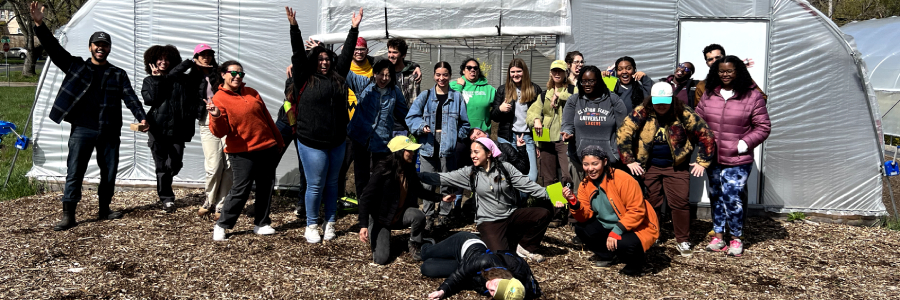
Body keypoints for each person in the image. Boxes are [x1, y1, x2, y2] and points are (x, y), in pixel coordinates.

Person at [30, 2, 149, 231]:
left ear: (109, 49)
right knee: (75, 171)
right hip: (83, 129)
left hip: (109, 130)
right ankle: (69, 215)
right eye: (97, 44)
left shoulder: (118, 74)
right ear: (90, 47)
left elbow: (131, 97)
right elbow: (54, 49)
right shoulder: (76, 66)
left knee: (109, 173)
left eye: (105, 45)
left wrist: (142, 117)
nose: (100, 48)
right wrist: (39, 25)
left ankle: (104, 209)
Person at [286, 7, 361, 243]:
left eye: (327, 59)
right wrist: (294, 28)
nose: (324, 63)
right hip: (311, 142)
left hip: (337, 141)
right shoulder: (304, 79)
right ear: (313, 62)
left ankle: (329, 222)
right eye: (319, 59)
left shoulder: (338, 78)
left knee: (332, 184)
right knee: (315, 184)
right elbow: (298, 54)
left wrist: (354, 28)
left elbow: (347, 54)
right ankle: (311, 225)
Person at [616, 82, 716, 256]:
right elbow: (623, 132)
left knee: (680, 203)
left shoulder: (684, 112)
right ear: (651, 100)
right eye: (658, 101)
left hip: (676, 166)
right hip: (649, 165)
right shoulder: (642, 111)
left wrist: (702, 161)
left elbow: (705, 134)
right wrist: (629, 160)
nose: (661, 105)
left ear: (672, 99)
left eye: (665, 101)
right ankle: (653, 234)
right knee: (650, 202)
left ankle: (683, 240)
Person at [419, 138, 551, 262]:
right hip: (489, 222)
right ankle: (500, 241)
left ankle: (524, 247)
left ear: (488, 153)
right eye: (471, 152)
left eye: (476, 152)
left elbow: (529, 185)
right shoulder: (470, 173)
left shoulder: (505, 168)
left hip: (510, 215)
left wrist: (559, 195)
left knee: (542, 214)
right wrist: (414, 175)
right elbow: (442, 177)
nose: (472, 155)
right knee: (502, 258)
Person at [695, 55, 770, 257]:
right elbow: (698, 120)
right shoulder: (710, 94)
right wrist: (701, 140)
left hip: (737, 159)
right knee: (716, 197)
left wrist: (744, 143)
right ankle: (718, 235)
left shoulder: (751, 96)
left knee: (733, 197)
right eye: (721, 71)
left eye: (729, 71)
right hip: (713, 158)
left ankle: (736, 237)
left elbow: (763, 127)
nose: (725, 75)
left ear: (738, 72)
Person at [206, 60, 284, 241]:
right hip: (241, 151)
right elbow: (219, 132)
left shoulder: (252, 92)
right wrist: (216, 115)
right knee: (241, 188)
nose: (237, 77)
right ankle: (222, 225)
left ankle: (262, 223)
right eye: (233, 73)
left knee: (266, 187)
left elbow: (267, 118)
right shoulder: (219, 98)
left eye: (240, 73)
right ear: (223, 74)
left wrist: (278, 141)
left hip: (266, 147)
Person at [561, 146, 659, 275]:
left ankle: (634, 264)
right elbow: (584, 216)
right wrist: (573, 202)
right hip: (607, 225)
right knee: (581, 228)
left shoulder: (623, 179)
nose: (590, 168)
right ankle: (608, 255)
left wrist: (616, 231)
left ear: (605, 162)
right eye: (586, 164)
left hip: (635, 225)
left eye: (595, 164)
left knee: (626, 243)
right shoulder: (585, 184)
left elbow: (636, 211)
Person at [358, 137, 448, 264]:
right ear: (399, 152)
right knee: (381, 259)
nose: (412, 154)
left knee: (418, 215)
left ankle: (415, 243)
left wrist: (441, 198)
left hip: (399, 214)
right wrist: (363, 225)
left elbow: (419, 191)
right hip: (381, 219)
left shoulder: (409, 169)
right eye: (408, 151)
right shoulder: (383, 169)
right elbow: (365, 198)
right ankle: (376, 233)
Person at [406, 61, 471, 230]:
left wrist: (456, 138)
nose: (441, 78)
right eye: (438, 75)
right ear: (434, 75)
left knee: (447, 182)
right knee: (427, 184)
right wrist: (421, 127)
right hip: (428, 144)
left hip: (448, 147)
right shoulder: (425, 95)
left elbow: (465, 123)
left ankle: (444, 215)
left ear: (450, 76)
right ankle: (428, 215)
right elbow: (411, 117)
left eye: (445, 75)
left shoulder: (456, 97)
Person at [170, 43, 231, 219]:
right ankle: (209, 200)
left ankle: (221, 204)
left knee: (228, 165)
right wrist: (190, 62)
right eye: (202, 54)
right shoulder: (190, 77)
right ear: (196, 57)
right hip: (206, 120)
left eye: (209, 54)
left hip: (227, 119)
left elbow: (234, 82)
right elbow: (172, 75)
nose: (206, 57)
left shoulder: (220, 73)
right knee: (214, 164)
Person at [140, 45, 197, 213]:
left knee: (175, 163)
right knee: (161, 165)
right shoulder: (149, 81)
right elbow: (151, 101)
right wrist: (157, 80)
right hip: (157, 128)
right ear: (152, 61)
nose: (163, 62)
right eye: (160, 59)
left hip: (178, 129)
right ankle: (166, 198)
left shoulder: (181, 80)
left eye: (167, 59)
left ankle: (164, 182)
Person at [345, 59, 410, 206]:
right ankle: (363, 208)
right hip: (360, 137)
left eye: (388, 75)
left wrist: (418, 128)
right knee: (361, 175)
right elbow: (344, 71)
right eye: (381, 74)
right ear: (374, 73)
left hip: (381, 141)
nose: (384, 79)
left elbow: (405, 115)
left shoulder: (395, 93)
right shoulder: (364, 85)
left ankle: (375, 208)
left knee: (379, 175)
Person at [527, 60, 577, 228]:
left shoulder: (572, 90)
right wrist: (536, 120)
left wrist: (560, 95)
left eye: (560, 71)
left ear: (565, 73)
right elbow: (532, 111)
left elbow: (577, 101)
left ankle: (573, 213)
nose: (557, 74)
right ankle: (557, 211)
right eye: (554, 71)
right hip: (546, 139)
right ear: (551, 73)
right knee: (549, 178)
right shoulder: (544, 94)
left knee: (568, 175)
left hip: (565, 139)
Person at [421, 232, 542, 300]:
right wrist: (443, 291)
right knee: (425, 254)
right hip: (465, 244)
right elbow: (460, 275)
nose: (491, 290)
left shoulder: (517, 288)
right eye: (496, 285)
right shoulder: (487, 261)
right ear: (505, 277)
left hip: (466, 265)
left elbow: (528, 290)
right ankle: (427, 242)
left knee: (426, 268)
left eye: (495, 293)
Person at [561, 65, 627, 167]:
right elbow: (568, 124)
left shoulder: (613, 100)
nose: (587, 84)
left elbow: (623, 129)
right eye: (584, 81)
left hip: (608, 161)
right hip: (580, 160)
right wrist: (567, 133)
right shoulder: (573, 100)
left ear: (599, 81)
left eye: (591, 81)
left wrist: (618, 153)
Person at [491, 58, 543, 182]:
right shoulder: (503, 90)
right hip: (507, 137)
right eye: (512, 72)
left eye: (519, 71)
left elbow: (541, 117)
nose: (515, 74)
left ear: (524, 71)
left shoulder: (535, 90)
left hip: (527, 137)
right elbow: (494, 116)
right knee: (508, 174)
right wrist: (500, 109)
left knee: (531, 176)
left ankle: (523, 200)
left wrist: (538, 143)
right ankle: (513, 201)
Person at [695, 44, 766, 103]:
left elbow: (762, 98)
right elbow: (698, 112)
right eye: (710, 59)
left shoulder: (741, 78)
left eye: (717, 57)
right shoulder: (702, 86)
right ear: (707, 63)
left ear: (724, 58)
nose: (714, 61)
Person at [450, 58, 497, 134]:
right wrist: (459, 87)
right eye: (469, 68)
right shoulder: (453, 85)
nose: (472, 70)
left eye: (475, 68)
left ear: (478, 71)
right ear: (463, 70)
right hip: (459, 133)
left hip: (481, 134)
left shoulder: (489, 89)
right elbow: (450, 103)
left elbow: (497, 110)